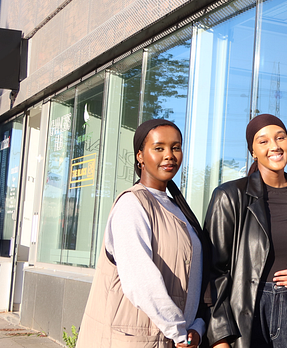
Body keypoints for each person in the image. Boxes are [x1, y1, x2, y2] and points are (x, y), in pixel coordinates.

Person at [203, 114, 287, 348]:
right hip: (247, 313)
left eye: (280, 137)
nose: (275, 146)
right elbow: (213, 271)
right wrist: (219, 336)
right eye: (263, 141)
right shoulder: (230, 197)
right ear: (253, 150)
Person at [77, 119, 205, 348]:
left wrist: (197, 327)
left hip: (172, 338)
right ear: (140, 156)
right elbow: (140, 281)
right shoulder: (132, 204)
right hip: (136, 339)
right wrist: (178, 331)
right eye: (159, 148)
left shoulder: (177, 208)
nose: (169, 155)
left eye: (176, 147)